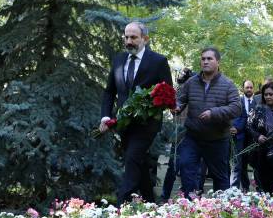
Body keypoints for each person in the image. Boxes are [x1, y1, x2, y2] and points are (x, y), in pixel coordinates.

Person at [100, 22, 172, 205]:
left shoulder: (158, 61)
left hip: (146, 125)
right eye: (126, 37)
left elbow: (168, 94)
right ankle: (151, 204)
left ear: (145, 39)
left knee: (132, 161)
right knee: (138, 163)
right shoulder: (118, 60)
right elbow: (109, 91)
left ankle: (119, 208)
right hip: (123, 124)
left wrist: (149, 106)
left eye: (133, 37)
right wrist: (106, 117)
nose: (129, 41)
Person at [175, 47, 241, 196]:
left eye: (209, 59)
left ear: (218, 61)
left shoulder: (228, 84)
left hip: (217, 139)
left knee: (220, 177)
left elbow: (236, 108)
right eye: (203, 58)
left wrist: (214, 113)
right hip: (193, 137)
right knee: (185, 166)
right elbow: (180, 100)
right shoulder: (191, 82)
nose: (205, 61)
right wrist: (177, 107)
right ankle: (188, 205)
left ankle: (221, 210)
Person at [160, 67, 194, 201]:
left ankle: (188, 196)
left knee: (188, 167)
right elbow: (173, 110)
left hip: (191, 132)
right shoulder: (180, 91)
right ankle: (165, 195)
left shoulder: (194, 91)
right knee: (174, 166)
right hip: (180, 132)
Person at [230, 80, 256, 191]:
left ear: (253, 88)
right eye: (247, 87)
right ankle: (237, 188)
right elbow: (237, 117)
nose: (249, 89)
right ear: (243, 89)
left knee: (249, 162)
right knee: (238, 163)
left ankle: (250, 187)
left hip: (253, 137)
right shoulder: (238, 101)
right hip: (239, 136)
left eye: (251, 87)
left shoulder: (258, 101)